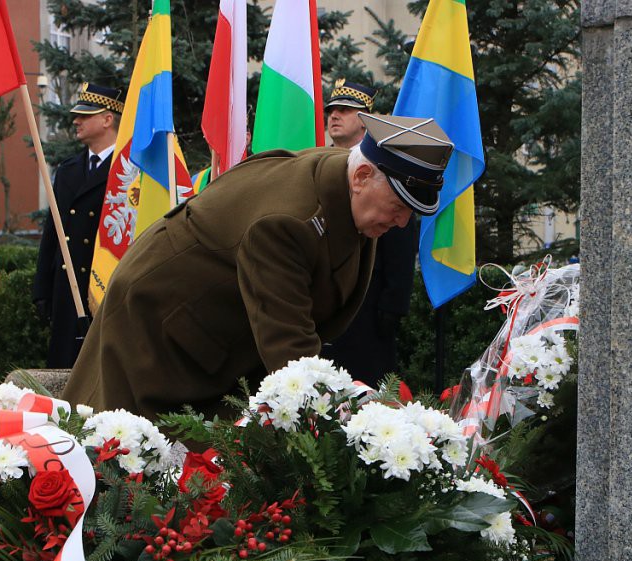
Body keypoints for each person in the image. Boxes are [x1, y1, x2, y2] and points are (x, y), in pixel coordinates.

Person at [63, 114, 454, 420]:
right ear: (363, 177)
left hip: (216, 337)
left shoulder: (350, 177)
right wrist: (358, 416)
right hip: (158, 326)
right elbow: (290, 351)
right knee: (130, 458)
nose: (402, 222)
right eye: (398, 206)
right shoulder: (286, 222)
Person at [322, 80, 420, 387]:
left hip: (368, 301)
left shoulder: (383, 163)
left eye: (345, 110)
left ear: (365, 120)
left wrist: (393, 303)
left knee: (364, 387)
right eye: (332, 110)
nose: (334, 115)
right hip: (324, 298)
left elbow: (400, 231)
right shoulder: (317, 164)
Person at [33, 83, 123, 368]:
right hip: (67, 290)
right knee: (64, 369)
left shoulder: (126, 171)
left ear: (107, 119)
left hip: (104, 288)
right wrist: (42, 287)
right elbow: (53, 233)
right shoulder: (68, 170)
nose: (76, 121)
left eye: (85, 116)